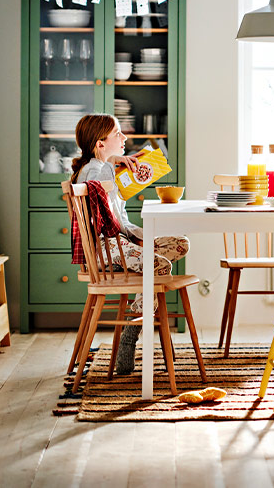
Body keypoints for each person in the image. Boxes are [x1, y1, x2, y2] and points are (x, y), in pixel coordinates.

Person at [71, 113, 189, 374]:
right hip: (105, 249)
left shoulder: (107, 170)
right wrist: (112, 162)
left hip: (120, 243)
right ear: (100, 144)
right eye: (118, 134)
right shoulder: (92, 170)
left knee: (180, 244)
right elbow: (94, 188)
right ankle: (131, 334)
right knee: (159, 266)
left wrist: (142, 235)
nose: (124, 138)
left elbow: (120, 220)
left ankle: (136, 317)